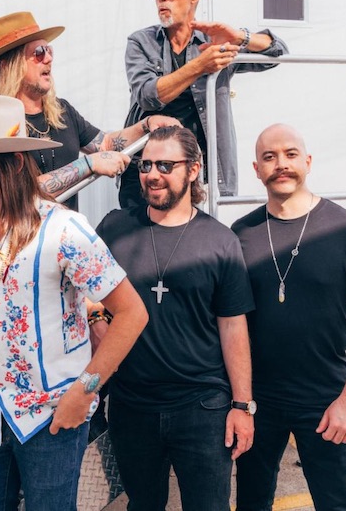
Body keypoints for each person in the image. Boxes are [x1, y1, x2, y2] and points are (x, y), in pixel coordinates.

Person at [0, 94, 148, 510]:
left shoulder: (65, 230)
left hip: (52, 417)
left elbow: (133, 313)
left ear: (13, 165)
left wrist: (85, 391)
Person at [95, 125, 256, 510]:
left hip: (202, 406)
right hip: (132, 404)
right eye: (145, 165)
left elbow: (233, 327)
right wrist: (95, 318)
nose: (152, 174)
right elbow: (80, 291)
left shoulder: (220, 241)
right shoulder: (114, 228)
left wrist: (242, 406)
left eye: (166, 165)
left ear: (194, 169)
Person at [232, 124, 346, 511]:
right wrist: (239, 402)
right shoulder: (241, 234)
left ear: (308, 161)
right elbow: (229, 321)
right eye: (269, 157)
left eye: (289, 154)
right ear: (256, 168)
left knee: (336, 503)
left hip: (326, 398)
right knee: (251, 501)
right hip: (258, 399)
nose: (280, 164)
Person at [119, 0, 289, 208]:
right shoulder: (141, 42)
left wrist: (239, 36)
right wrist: (200, 66)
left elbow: (278, 53)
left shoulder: (214, 43)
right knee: (145, 243)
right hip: (148, 170)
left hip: (199, 173)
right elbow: (147, 95)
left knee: (199, 242)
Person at [0, 11, 178, 211]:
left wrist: (146, 124)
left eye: (49, 50)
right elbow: (17, 192)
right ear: (9, 66)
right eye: (38, 53)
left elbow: (104, 145)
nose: (48, 58)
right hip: (19, 241)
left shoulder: (61, 111)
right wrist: (86, 165)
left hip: (63, 240)